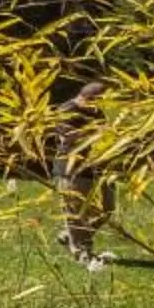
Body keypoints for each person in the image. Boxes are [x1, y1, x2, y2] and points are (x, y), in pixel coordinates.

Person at [50, 81, 111, 269]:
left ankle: (70, 236)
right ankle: (82, 252)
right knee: (75, 213)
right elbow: (66, 136)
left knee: (107, 208)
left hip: (97, 166)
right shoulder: (67, 109)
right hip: (71, 168)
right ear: (88, 98)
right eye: (100, 102)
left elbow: (105, 134)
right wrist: (94, 132)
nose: (102, 107)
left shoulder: (97, 112)